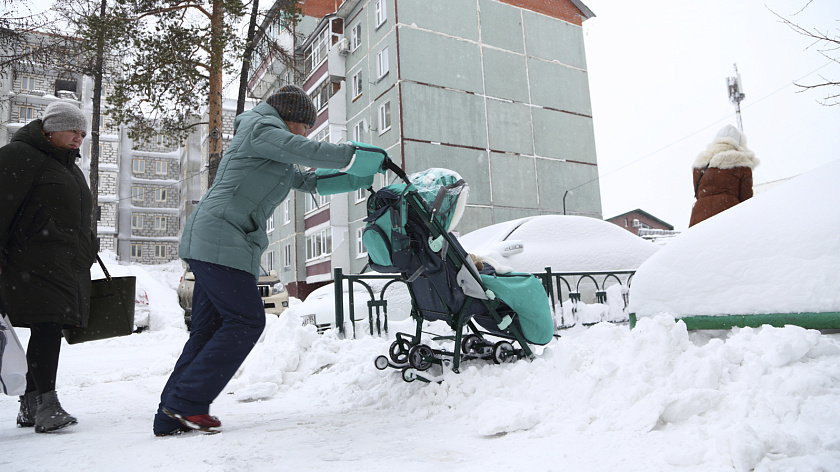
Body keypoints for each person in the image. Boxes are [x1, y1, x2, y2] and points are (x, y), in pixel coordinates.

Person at [153, 84, 383, 436]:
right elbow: (304, 149)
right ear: (291, 120)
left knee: (208, 330)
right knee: (246, 321)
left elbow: (310, 181)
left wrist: (358, 177)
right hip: (221, 239)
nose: (307, 132)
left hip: (216, 241)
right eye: (307, 125)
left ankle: (172, 413)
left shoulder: (270, 151)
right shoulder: (262, 130)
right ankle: (186, 403)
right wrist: (356, 153)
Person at [0, 101, 96, 432]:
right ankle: (47, 405)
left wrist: (88, 250)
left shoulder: (69, 168)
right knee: (48, 326)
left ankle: (30, 404)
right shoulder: (20, 156)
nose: (78, 138)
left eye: (83, 133)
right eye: (73, 131)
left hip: (62, 265)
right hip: (31, 261)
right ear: (51, 129)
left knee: (48, 326)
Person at [689, 124, 759, 227]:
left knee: (701, 242)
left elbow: (698, 193)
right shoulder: (742, 165)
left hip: (699, 216)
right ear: (738, 142)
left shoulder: (700, 164)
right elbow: (746, 200)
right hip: (729, 214)